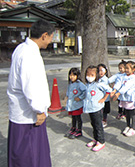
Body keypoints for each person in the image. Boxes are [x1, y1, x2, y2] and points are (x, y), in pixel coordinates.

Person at [7, 19, 55, 167]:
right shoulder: (30, 54)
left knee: (21, 152)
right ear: (44, 35)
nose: (50, 42)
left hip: (20, 112)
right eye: (51, 37)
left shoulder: (21, 48)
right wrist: (40, 110)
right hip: (28, 115)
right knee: (30, 155)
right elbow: (31, 85)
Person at [84, 66, 111, 152]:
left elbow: (109, 90)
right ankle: (95, 139)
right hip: (90, 108)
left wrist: (104, 98)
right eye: (88, 74)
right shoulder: (87, 85)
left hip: (97, 108)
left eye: (92, 75)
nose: (89, 76)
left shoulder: (99, 84)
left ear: (97, 75)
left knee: (98, 125)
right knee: (93, 124)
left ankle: (101, 141)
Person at [112, 61, 135, 137]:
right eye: (125, 68)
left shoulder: (133, 77)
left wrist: (118, 93)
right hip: (124, 98)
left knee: (132, 112)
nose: (126, 70)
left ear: (133, 69)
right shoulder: (122, 76)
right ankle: (128, 125)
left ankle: (133, 127)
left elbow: (126, 86)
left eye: (128, 68)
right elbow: (118, 83)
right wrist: (114, 90)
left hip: (130, 98)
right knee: (126, 112)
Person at [64, 68, 86, 139]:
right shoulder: (70, 84)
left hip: (77, 104)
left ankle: (79, 130)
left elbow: (85, 91)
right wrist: (66, 97)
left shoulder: (79, 84)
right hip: (71, 105)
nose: (72, 77)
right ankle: (73, 128)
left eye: (74, 75)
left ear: (77, 76)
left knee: (78, 118)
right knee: (73, 117)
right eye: (70, 75)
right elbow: (68, 92)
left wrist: (80, 97)